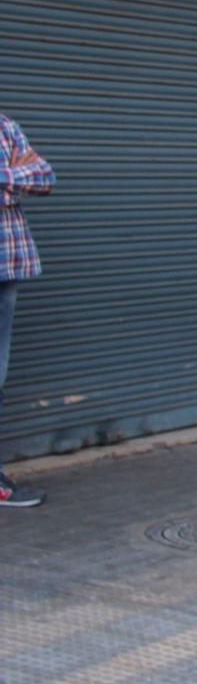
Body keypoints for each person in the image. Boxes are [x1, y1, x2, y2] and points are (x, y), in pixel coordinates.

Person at [0, 111, 55, 510]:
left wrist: (8, 177)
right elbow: (25, 177)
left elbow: (44, 177)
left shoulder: (4, 126)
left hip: (7, 264)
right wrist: (12, 175)